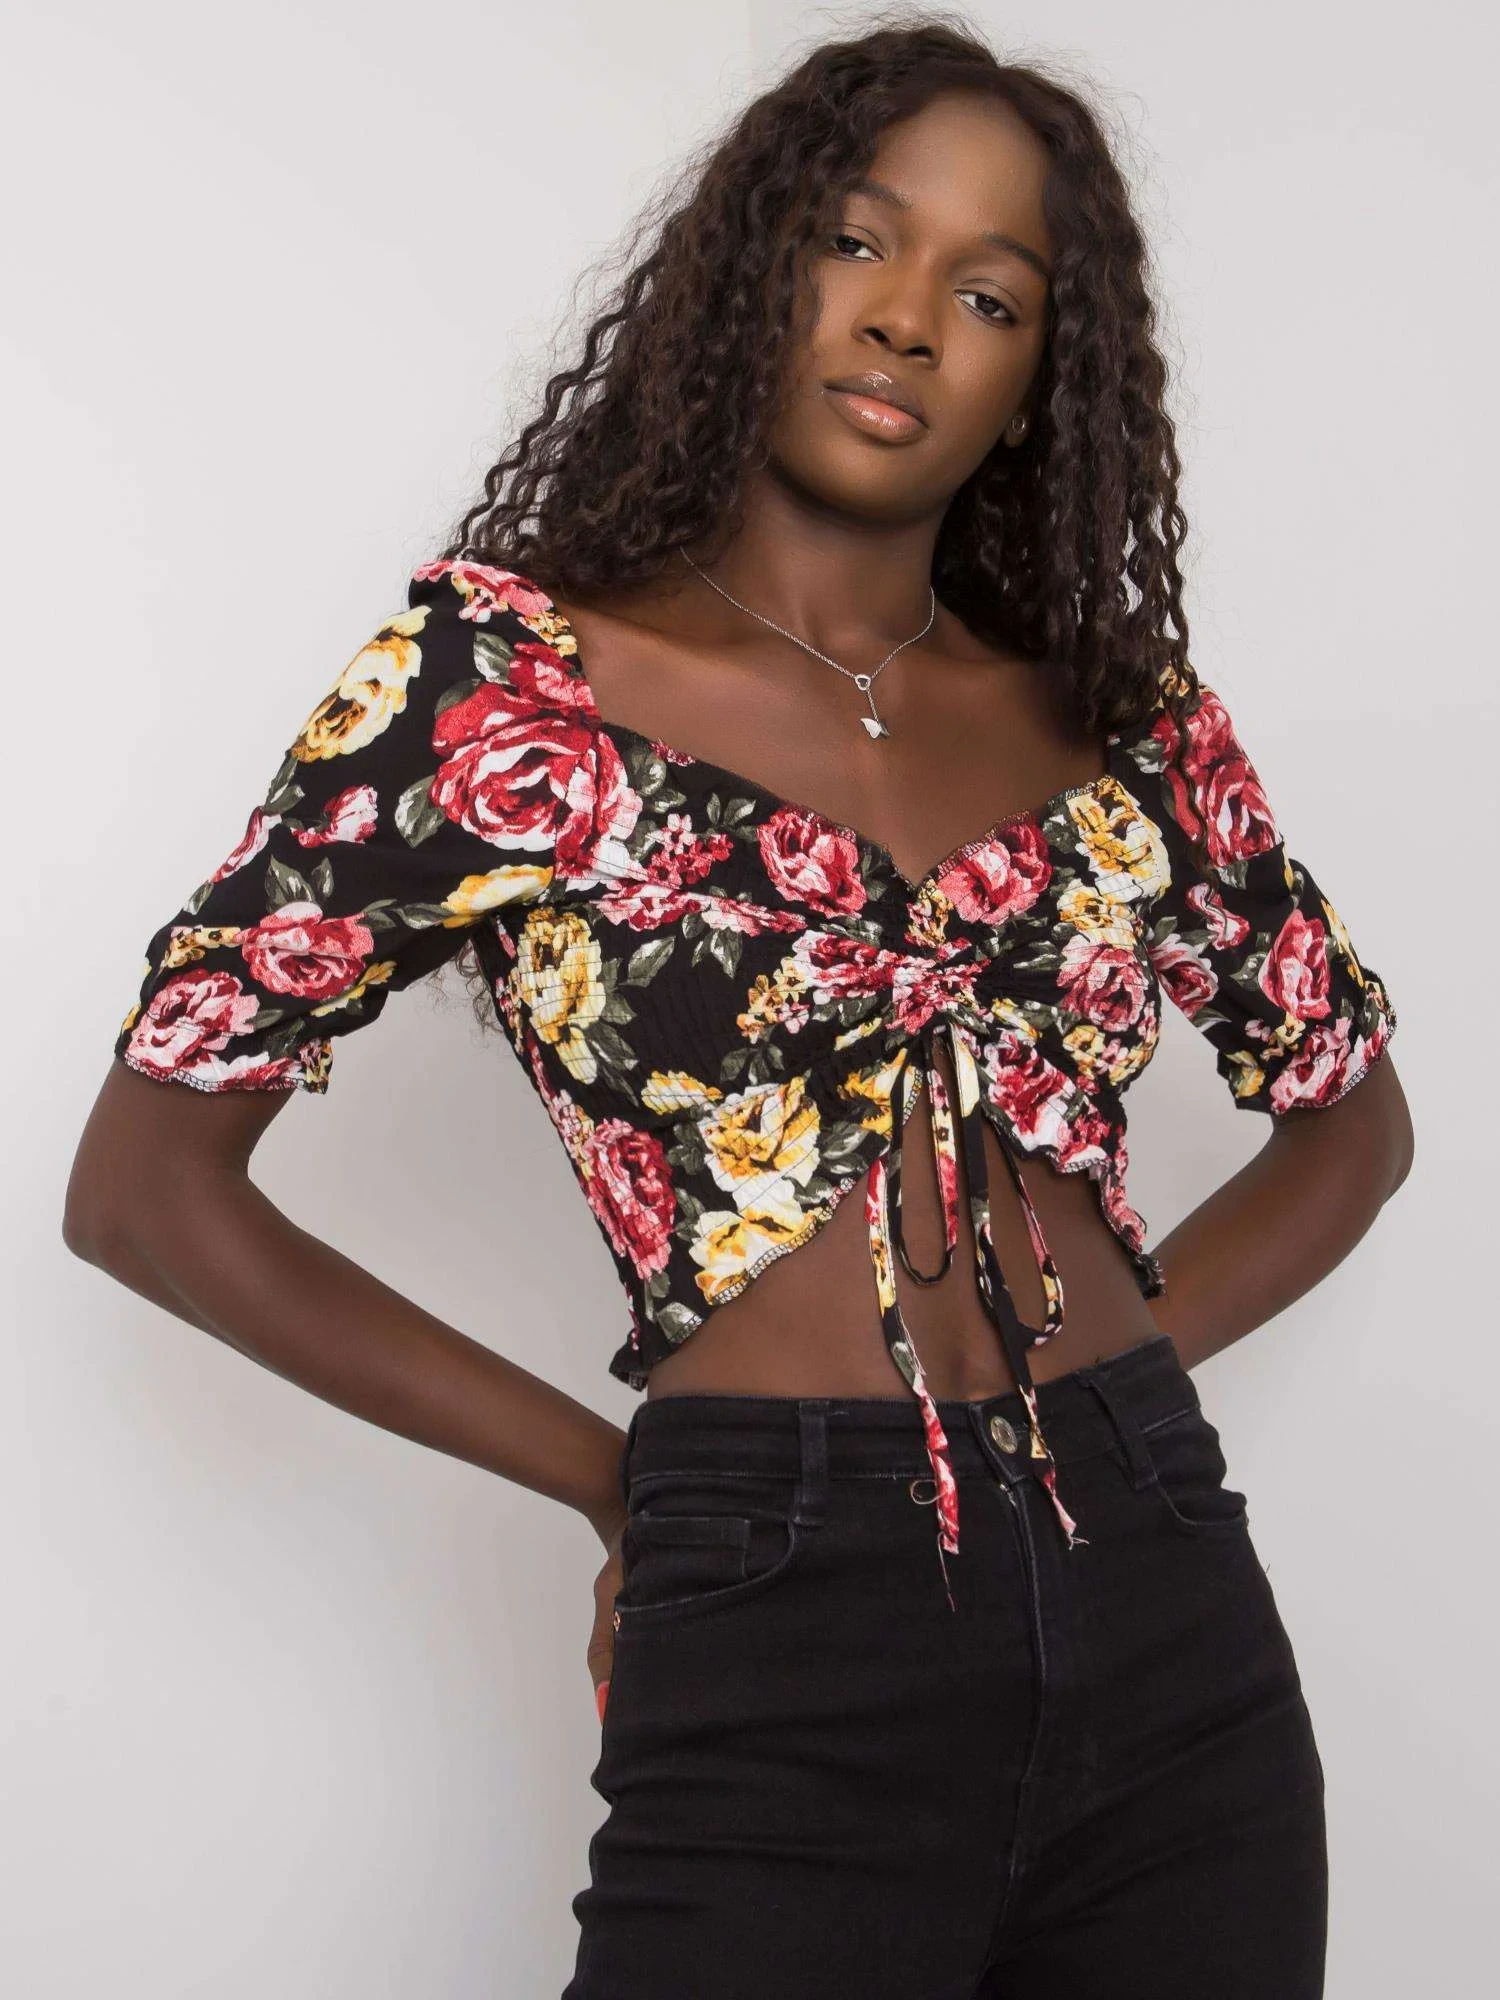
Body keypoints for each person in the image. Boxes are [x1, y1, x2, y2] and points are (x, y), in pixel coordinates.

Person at [64, 20, 1411, 1999]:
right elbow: (145, 1190)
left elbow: (1352, 1119)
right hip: (781, 1605)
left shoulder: (1120, 716)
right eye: (855, 241)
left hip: (1168, 1604)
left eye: (990, 296)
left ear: (1039, 385)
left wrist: (1111, 1391)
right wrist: (616, 1476)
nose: (906, 319)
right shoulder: (500, 694)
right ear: (751, 269)